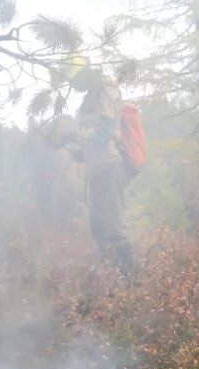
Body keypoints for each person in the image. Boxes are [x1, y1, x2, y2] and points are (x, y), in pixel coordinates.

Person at [48, 58, 136, 271]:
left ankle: (131, 283)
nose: (73, 85)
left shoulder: (102, 91)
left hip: (110, 167)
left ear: (83, 73)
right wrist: (73, 148)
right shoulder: (92, 96)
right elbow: (93, 138)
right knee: (99, 228)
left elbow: (106, 129)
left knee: (113, 229)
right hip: (98, 170)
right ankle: (111, 280)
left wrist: (74, 136)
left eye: (74, 79)